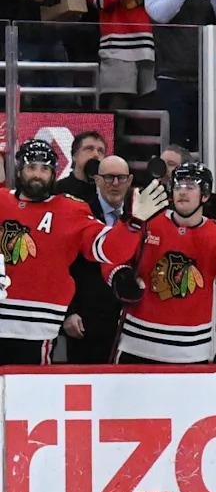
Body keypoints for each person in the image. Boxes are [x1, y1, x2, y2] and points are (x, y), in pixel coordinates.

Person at [0, 140, 168, 364]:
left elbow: (109, 250)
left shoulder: (70, 210)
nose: (37, 175)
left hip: (35, 329)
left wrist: (133, 222)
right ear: (20, 170)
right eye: (32, 167)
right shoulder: (2, 201)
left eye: (45, 169)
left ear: (55, 173)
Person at [107, 162, 216, 364]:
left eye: (190, 187)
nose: (182, 192)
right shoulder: (148, 222)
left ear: (205, 195)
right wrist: (119, 275)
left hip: (191, 350)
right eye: (178, 186)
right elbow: (112, 254)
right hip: (136, 343)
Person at [145, 0, 216, 151]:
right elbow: (160, 14)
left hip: (203, 79)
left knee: (201, 141)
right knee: (175, 140)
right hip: (170, 77)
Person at [64, 156, 136, 364]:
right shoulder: (79, 213)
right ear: (96, 179)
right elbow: (63, 266)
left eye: (120, 178)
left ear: (130, 180)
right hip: (86, 322)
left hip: (131, 326)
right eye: (108, 178)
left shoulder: (141, 215)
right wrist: (69, 311)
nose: (115, 184)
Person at [89, 0, 157, 109]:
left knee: (150, 104)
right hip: (116, 43)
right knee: (118, 101)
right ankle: (111, 132)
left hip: (151, 44)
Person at [56, 131, 108, 199]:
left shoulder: (107, 192)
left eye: (100, 151)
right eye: (89, 149)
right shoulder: (57, 190)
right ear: (74, 155)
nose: (96, 154)